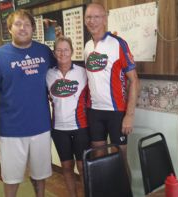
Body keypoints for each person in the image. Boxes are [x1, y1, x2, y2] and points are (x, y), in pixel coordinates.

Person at [0, 9, 56, 197]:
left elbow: (57, 77)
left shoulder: (44, 51)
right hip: (12, 129)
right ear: (9, 28)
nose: (22, 28)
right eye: (18, 24)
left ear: (33, 29)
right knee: (11, 177)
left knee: (40, 174)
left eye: (27, 24)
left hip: (41, 126)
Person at [83, 3, 140, 170]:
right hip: (94, 112)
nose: (92, 21)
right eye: (88, 17)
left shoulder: (118, 43)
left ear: (105, 19)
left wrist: (129, 115)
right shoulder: (87, 47)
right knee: (98, 160)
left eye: (96, 17)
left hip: (117, 113)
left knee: (120, 161)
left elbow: (134, 80)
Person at [46, 36, 89, 197]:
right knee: (66, 167)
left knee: (83, 167)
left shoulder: (83, 73)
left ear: (72, 51)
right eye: (59, 50)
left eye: (66, 49)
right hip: (58, 129)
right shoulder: (48, 75)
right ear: (54, 52)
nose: (62, 53)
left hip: (81, 127)